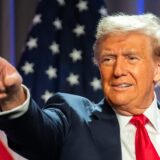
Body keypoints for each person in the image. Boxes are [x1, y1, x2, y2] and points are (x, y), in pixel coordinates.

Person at [0, 13, 160, 160]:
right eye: (108, 59)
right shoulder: (72, 119)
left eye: (131, 58)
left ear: (157, 70)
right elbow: (34, 134)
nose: (118, 71)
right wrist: (13, 98)